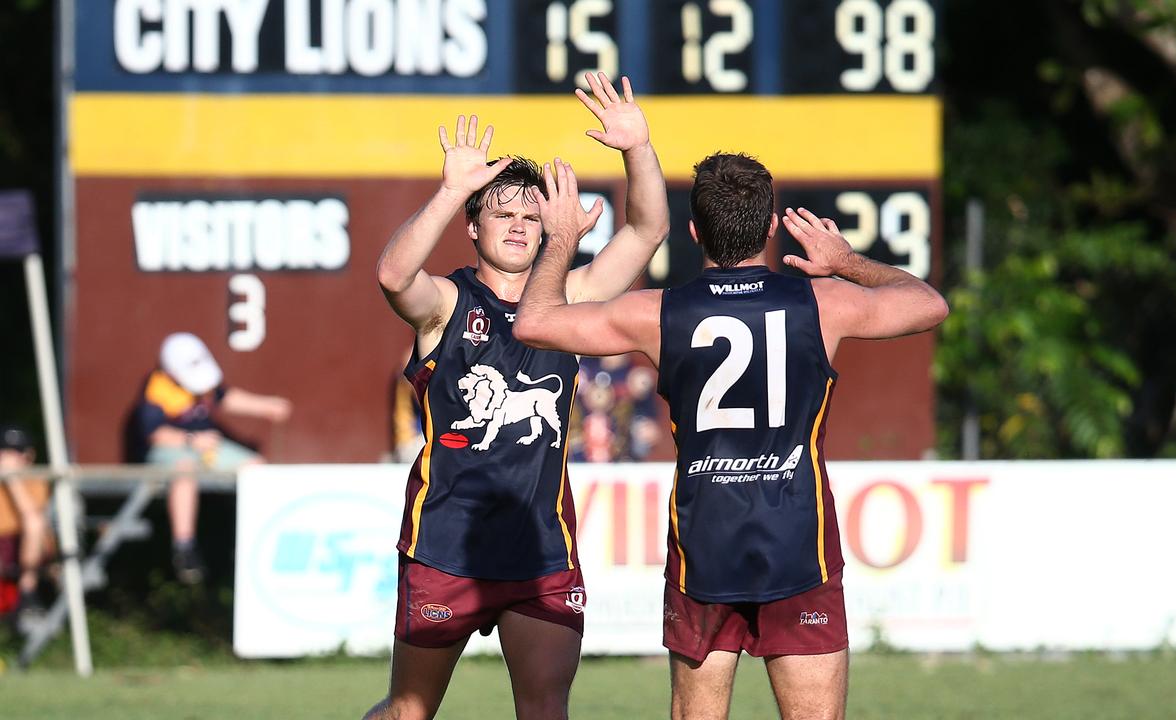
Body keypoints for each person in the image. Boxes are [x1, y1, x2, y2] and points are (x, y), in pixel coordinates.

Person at [514, 153, 949, 719]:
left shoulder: (656, 312)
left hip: (705, 544)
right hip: (799, 544)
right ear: (770, 227)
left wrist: (561, 239)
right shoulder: (824, 304)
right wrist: (846, 261)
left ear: (694, 231)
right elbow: (929, 304)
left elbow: (533, 322)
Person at [366, 72, 667, 720]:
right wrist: (452, 189)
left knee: (545, 710)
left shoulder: (569, 300)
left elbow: (645, 231)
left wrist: (637, 148)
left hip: (540, 548)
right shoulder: (447, 303)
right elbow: (393, 274)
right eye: (502, 212)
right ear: (473, 228)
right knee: (409, 711)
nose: (518, 224)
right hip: (446, 541)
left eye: (532, 216)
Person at [130, 332, 292, 583]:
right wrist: (191, 440)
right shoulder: (158, 389)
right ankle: (184, 547)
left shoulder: (204, 384)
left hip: (207, 447)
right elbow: (154, 434)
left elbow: (226, 399)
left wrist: (266, 407)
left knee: (256, 467)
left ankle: (263, 539)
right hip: (175, 451)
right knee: (185, 471)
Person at [0, 425, 52, 632]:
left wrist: (12, 480)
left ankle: (27, 592)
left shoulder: (35, 480)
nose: (10, 457)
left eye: (17, 452)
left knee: (34, 522)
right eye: (4, 450)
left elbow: (32, 515)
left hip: (31, 548)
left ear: (29, 456)